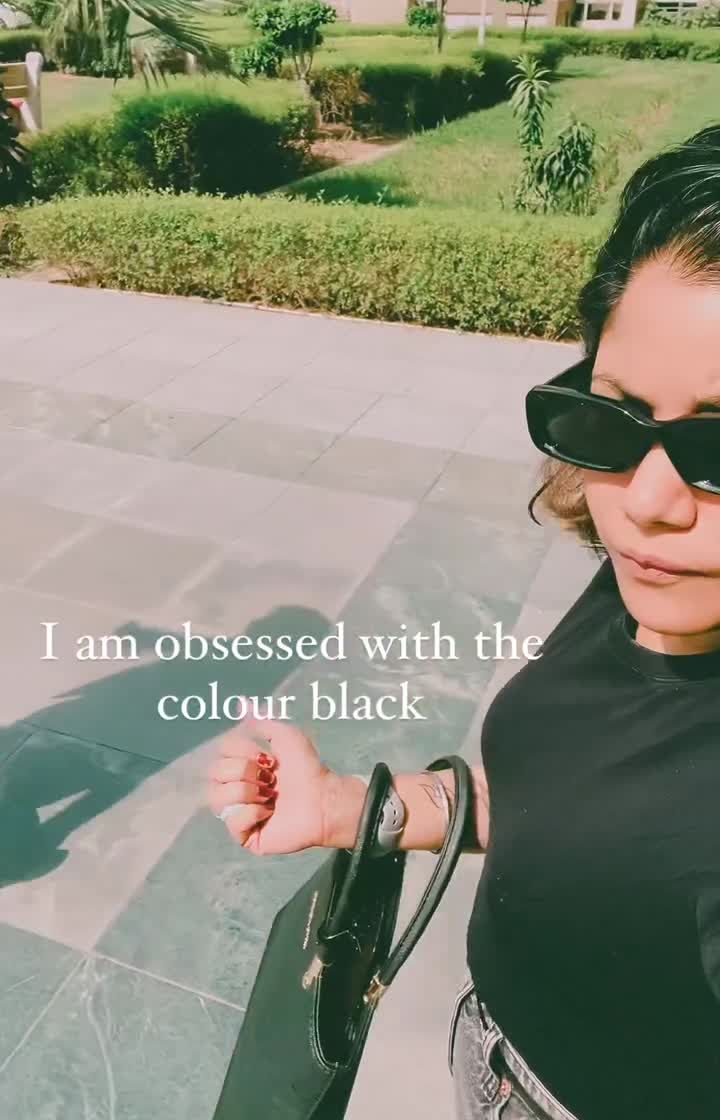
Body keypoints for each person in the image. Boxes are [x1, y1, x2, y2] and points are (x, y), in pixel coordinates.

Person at [206, 125, 720, 1120]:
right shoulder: (659, 585)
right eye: (615, 421)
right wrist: (363, 812)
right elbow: (573, 801)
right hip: (491, 1056)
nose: (647, 504)